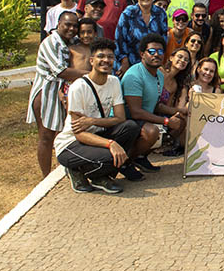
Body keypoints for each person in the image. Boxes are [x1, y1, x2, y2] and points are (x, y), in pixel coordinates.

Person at [54, 37, 138, 194]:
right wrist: (110, 144)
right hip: (71, 144)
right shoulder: (78, 87)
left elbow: (120, 118)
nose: (106, 60)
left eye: (110, 57)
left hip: (95, 134)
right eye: (101, 56)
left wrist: (92, 121)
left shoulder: (113, 82)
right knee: (109, 156)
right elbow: (79, 133)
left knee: (130, 127)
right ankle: (75, 170)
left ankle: (101, 176)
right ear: (91, 61)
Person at [27, 12, 89, 177]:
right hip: (47, 93)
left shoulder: (71, 42)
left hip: (65, 91)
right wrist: (92, 75)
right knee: (46, 136)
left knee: (66, 133)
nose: (71, 28)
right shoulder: (50, 42)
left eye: (75, 25)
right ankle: (46, 177)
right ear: (58, 23)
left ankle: (67, 170)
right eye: (67, 24)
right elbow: (60, 71)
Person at [121, 34, 186, 179]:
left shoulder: (159, 75)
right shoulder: (134, 75)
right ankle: (125, 163)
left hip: (144, 117)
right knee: (152, 131)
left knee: (181, 119)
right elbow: (136, 112)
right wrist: (167, 121)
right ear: (142, 54)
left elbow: (155, 105)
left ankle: (140, 157)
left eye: (160, 51)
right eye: (151, 51)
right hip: (126, 122)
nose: (156, 55)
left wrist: (178, 111)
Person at [114, 0, 168, 77]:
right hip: (130, 62)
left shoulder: (160, 13)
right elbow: (120, 38)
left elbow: (163, 39)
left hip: (152, 62)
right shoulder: (128, 13)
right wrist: (124, 61)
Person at [158, 48, 192, 157]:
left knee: (181, 119)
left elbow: (165, 108)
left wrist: (177, 113)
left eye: (186, 60)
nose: (182, 61)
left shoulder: (174, 84)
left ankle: (163, 144)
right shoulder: (159, 72)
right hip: (145, 110)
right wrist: (179, 110)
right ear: (171, 57)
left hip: (159, 114)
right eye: (180, 57)